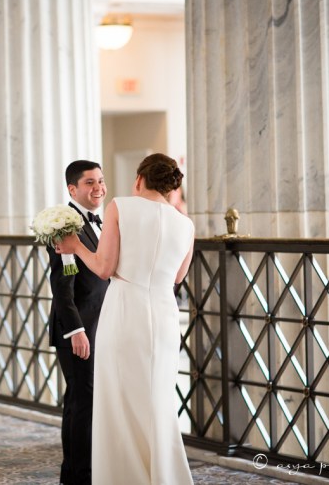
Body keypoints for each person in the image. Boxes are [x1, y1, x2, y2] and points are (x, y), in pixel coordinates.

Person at [55, 153, 196, 485]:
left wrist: (76, 246)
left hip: (125, 311)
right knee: (158, 399)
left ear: (139, 179)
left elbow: (104, 268)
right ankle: (163, 475)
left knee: (119, 400)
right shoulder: (186, 224)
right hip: (164, 315)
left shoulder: (120, 206)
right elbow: (178, 277)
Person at [48, 160, 110, 485]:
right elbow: (63, 285)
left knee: (80, 400)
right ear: (72, 189)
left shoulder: (101, 222)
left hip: (100, 325)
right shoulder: (65, 227)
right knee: (83, 401)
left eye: (101, 180)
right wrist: (76, 330)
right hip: (78, 330)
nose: (98, 187)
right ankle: (80, 476)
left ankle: (73, 474)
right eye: (90, 182)